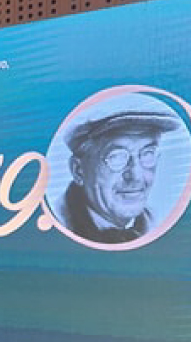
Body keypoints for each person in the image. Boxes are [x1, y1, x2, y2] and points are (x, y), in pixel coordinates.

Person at [58, 104, 181, 243]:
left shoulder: (158, 223)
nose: (136, 176)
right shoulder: (58, 226)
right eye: (116, 157)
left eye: (147, 154)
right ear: (78, 171)